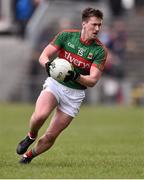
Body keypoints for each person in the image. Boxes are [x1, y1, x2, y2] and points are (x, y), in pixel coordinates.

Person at [16, 7, 108, 164]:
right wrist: (49, 66)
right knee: (40, 115)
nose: (97, 29)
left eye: (99, 25)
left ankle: (28, 157)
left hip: (75, 95)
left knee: (51, 136)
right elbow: (43, 56)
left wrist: (76, 76)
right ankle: (31, 135)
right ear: (84, 23)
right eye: (94, 24)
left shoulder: (100, 50)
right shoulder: (66, 36)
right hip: (55, 84)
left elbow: (92, 81)